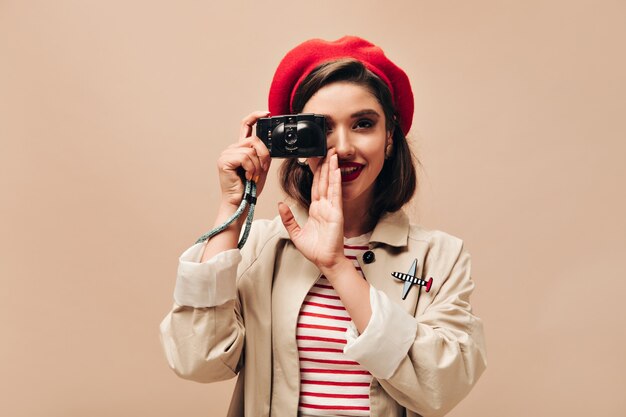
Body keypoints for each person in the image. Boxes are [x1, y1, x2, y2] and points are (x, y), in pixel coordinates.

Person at [159, 36, 486, 417]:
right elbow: (195, 359)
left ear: (390, 136)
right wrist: (232, 207)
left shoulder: (441, 256)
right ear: (297, 144)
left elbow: (441, 388)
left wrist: (337, 266)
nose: (343, 146)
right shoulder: (261, 246)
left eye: (364, 124)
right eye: (323, 128)